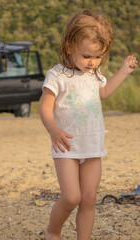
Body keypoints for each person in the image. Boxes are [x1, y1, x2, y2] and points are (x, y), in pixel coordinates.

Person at [40, 9, 138, 240]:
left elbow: (103, 93)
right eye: (87, 56)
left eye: (98, 57)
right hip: (66, 146)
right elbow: (45, 108)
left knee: (89, 198)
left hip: (93, 146)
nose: (92, 62)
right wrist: (54, 130)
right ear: (69, 47)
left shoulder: (94, 74)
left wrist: (124, 71)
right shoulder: (57, 76)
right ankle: (53, 231)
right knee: (71, 197)